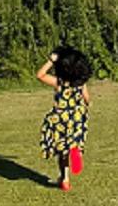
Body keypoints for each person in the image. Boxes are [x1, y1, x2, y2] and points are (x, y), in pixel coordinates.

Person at [36, 46, 92, 190]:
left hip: (61, 118)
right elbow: (87, 99)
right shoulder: (80, 84)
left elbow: (40, 75)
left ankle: (65, 179)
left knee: (62, 149)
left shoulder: (59, 83)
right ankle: (76, 152)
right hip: (77, 118)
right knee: (73, 143)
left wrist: (51, 61)